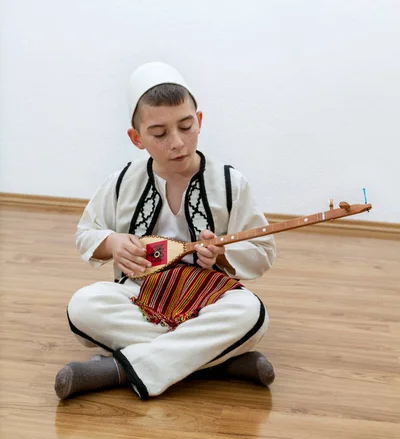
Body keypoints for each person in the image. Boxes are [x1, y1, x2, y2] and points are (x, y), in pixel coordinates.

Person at [55, 61, 276, 401]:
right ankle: (217, 360)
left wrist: (223, 254)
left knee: (250, 313)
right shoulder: (122, 183)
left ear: (199, 121)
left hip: (208, 299)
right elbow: (86, 233)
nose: (177, 143)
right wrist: (112, 243)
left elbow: (263, 252)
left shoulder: (231, 183)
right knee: (82, 306)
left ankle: (116, 369)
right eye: (159, 134)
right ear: (136, 138)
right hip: (143, 298)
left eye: (186, 127)